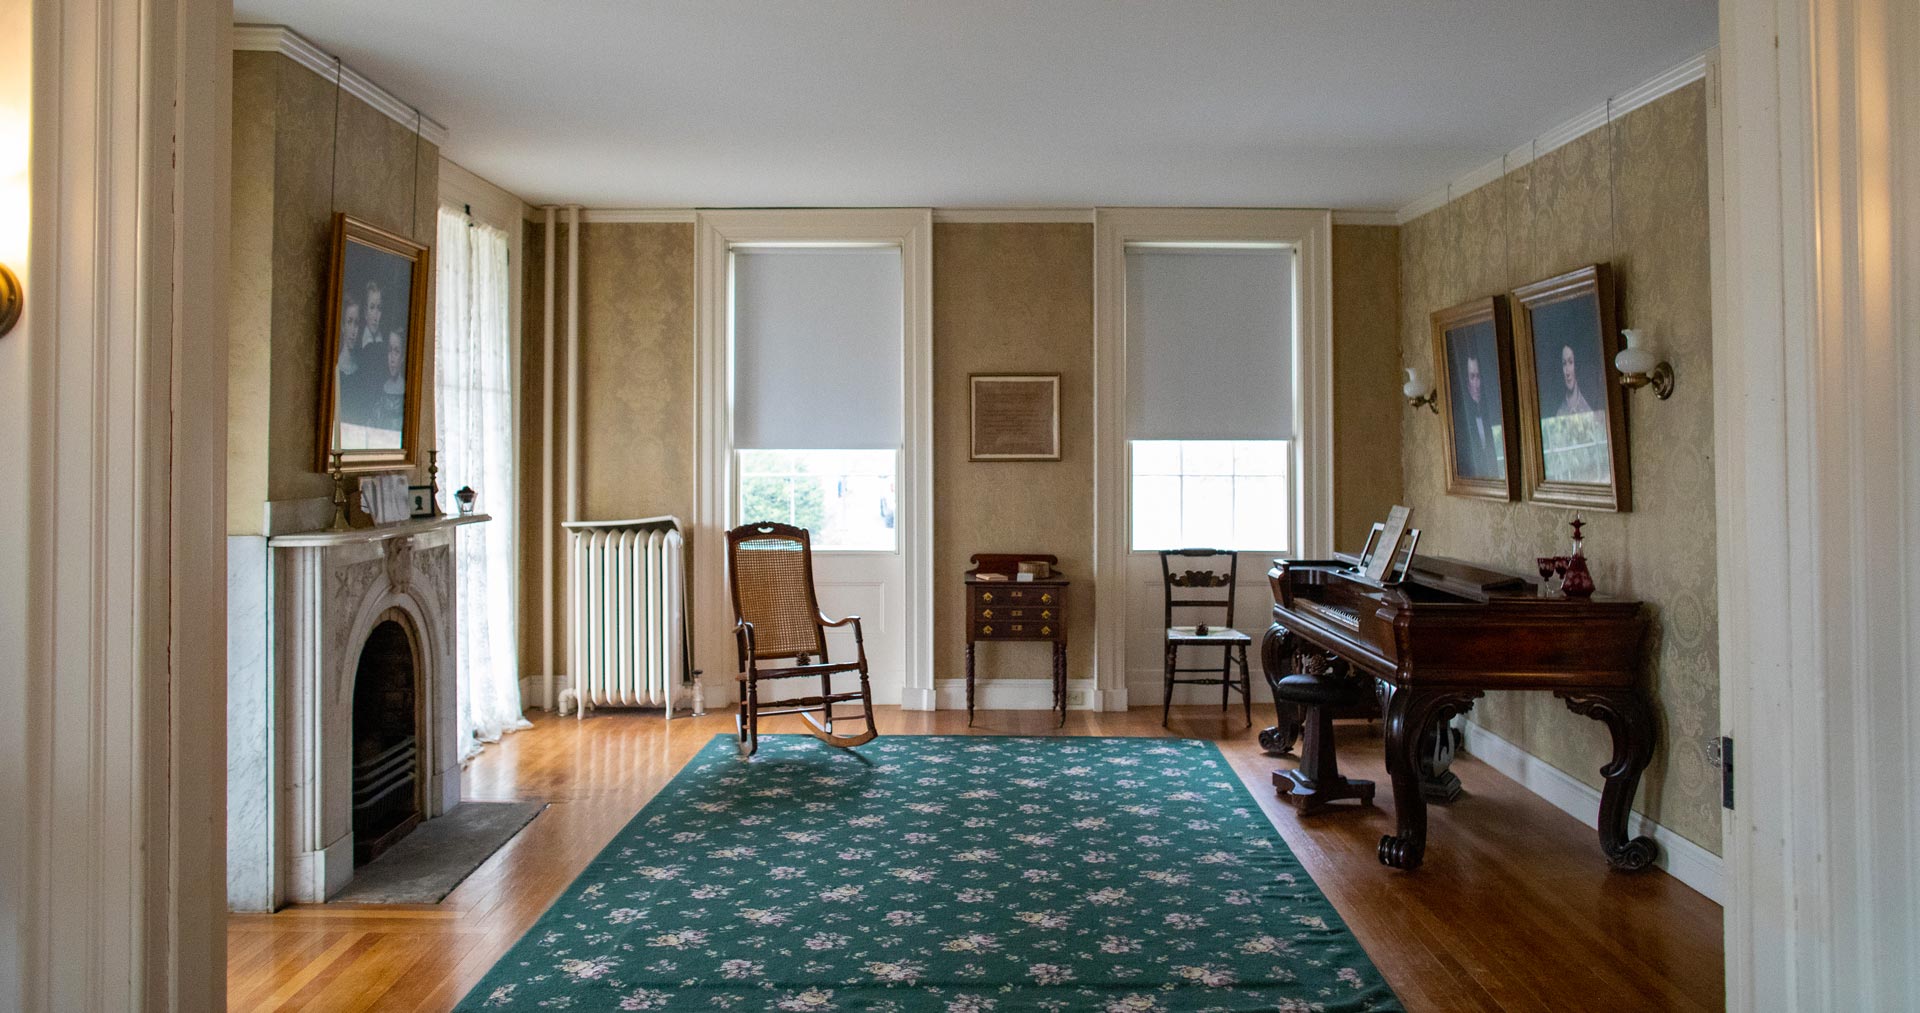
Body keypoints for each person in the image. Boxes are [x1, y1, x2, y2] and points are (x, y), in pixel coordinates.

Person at [1555, 343, 1595, 417]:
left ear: (1576, 365)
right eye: (1564, 364)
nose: (1567, 371)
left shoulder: (1588, 410)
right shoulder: (1559, 413)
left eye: (1570, 362)